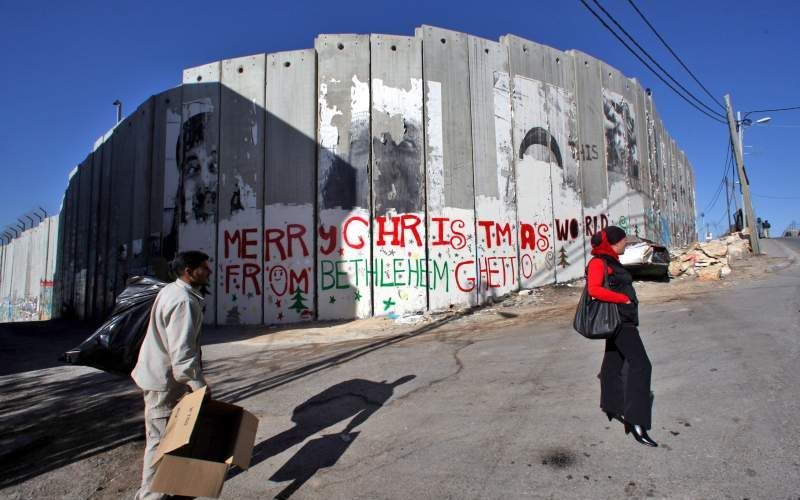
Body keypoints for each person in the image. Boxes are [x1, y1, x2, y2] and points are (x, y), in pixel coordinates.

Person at [131, 251, 212, 499]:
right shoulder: (183, 302)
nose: (208, 271)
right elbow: (182, 354)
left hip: (158, 375)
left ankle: (160, 488)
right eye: (204, 268)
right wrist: (200, 387)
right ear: (189, 271)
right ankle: (151, 496)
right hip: (164, 381)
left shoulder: (172, 291)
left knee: (164, 437)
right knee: (161, 441)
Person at [587, 226, 657, 447]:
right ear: (612, 243)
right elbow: (594, 290)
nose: (625, 244)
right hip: (619, 322)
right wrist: (622, 299)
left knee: (613, 364)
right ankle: (637, 422)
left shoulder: (611, 261)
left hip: (621, 319)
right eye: (623, 241)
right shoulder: (599, 262)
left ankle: (611, 405)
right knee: (641, 366)